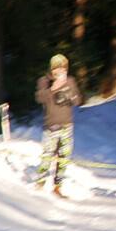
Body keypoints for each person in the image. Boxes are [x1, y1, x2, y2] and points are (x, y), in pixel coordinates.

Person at [35, 54, 82, 198]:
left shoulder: (70, 81)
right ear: (52, 69)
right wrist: (54, 88)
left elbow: (78, 100)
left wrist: (70, 93)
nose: (60, 71)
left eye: (63, 67)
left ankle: (57, 186)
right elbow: (39, 98)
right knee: (47, 155)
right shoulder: (44, 81)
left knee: (64, 157)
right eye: (57, 68)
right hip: (51, 126)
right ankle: (40, 183)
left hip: (67, 125)